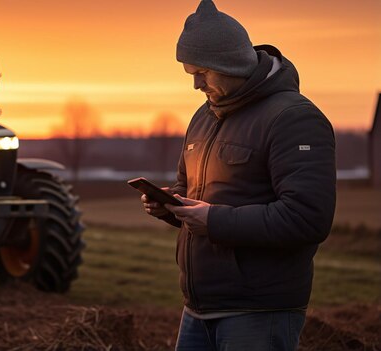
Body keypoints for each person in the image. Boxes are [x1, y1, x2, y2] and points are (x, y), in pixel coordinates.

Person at [140, 1, 336, 350]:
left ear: (229, 63)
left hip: (260, 312)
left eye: (202, 72)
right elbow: (190, 190)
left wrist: (213, 220)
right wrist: (171, 205)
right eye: (190, 74)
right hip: (198, 310)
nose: (196, 85)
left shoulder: (294, 118)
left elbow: (307, 219)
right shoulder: (204, 116)